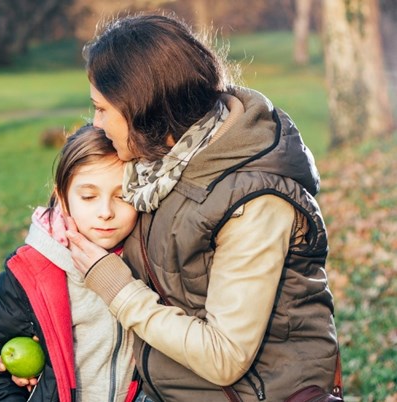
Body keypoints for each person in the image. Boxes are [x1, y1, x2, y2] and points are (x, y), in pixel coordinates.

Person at [60, 13, 342, 402]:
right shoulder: (155, 168)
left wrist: (117, 287)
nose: (96, 123)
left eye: (103, 109)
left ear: (144, 108)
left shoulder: (254, 200)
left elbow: (224, 357)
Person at [0, 124, 141, 402]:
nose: (106, 212)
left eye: (122, 196)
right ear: (62, 197)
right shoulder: (30, 273)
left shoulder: (149, 259)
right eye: (88, 196)